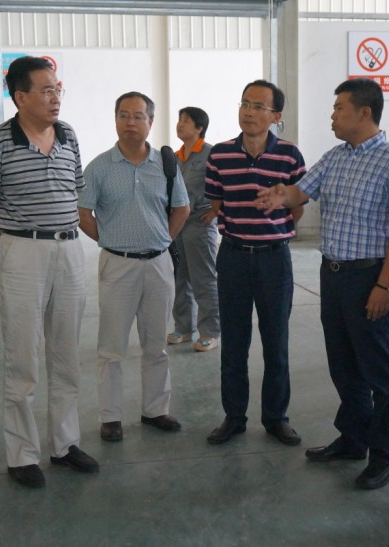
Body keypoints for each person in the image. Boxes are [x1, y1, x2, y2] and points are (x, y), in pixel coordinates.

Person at [256, 78, 389, 489]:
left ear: (364, 112)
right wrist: (280, 195)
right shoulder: (335, 157)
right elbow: (300, 192)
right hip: (333, 275)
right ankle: (353, 439)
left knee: (379, 371)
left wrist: (384, 286)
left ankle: (385, 456)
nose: (332, 115)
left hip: (369, 277)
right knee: (344, 366)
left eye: (338, 108)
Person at [0, 56, 98, 489]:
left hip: (70, 250)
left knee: (66, 356)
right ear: (20, 96)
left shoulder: (68, 135)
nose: (55, 97)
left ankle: (65, 444)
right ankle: (22, 455)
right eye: (46, 90)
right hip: (22, 253)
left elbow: (76, 192)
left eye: (57, 89)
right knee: (23, 358)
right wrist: (23, 233)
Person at [79, 91, 190, 443]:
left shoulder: (165, 165)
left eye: (138, 116)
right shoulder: (99, 167)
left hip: (158, 264)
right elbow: (82, 212)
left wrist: (163, 240)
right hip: (118, 265)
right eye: (124, 115)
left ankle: (155, 410)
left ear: (150, 122)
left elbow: (182, 208)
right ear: (115, 120)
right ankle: (110, 417)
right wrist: (108, 239)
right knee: (112, 348)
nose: (131, 122)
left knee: (156, 344)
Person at [204, 80, 307, 447]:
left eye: (259, 106)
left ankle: (276, 418)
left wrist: (274, 227)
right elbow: (216, 203)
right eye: (245, 104)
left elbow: (298, 205)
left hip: (274, 260)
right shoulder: (220, 155)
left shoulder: (290, 155)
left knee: (276, 342)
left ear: (275, 116)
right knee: (234, 342)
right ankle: (234, 417)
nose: (249, 112)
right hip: (232, 257)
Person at [166, 107, 220, 352]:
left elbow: (224, 185)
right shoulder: (176, 157)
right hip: (177, 224)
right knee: (179, 278)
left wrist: (216, 211)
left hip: (200, 223)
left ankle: (210, 332)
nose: (180, 124)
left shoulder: (210, 154)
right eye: (179, 120)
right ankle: (184, 328)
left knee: (203, 279)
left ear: (199, 128)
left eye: (186, 121)